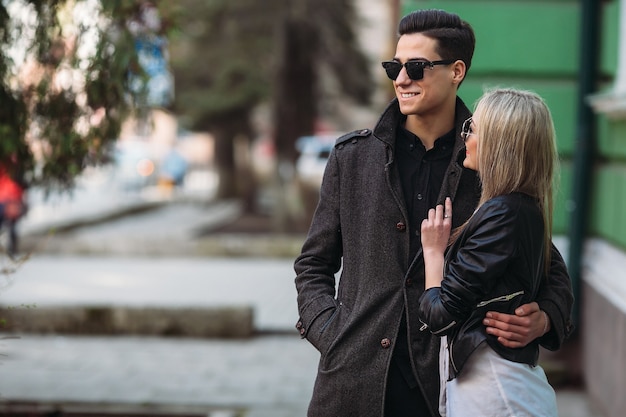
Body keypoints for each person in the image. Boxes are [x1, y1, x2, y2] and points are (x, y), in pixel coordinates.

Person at [293, 9, 574, 417]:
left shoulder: (489, 163)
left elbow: (550, 266)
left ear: (457, 70)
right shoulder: (352, 158)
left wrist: (546, 318)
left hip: (447, 387)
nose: (401, 79)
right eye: (395, 66)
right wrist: (330, 333)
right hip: (354, 383)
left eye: (416, 67)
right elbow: (313, 264)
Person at [419, 88, 560, 417]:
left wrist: (433, 253)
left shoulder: (504, 213)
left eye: (474, 129)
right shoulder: (520, 209)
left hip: (495, 390)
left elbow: (440, 317)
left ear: (499, 144)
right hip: (496, 386)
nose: (465, 137)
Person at [0, 165, 27, 258]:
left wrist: (17, 203)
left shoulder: (17, 168)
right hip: (3, 202)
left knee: (12, 226)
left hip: (14, 202)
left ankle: (12, 249)